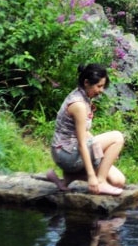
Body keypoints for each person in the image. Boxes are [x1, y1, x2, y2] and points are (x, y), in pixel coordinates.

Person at [46, 64, 126, 196]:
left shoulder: (83, 97)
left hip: (69, 152)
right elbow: (83, 143)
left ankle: (67, 179)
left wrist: (101, 150)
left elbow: (84, 134)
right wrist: (91, 177)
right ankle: (100, 182)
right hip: (67, 154)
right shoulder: (78, 105)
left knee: (118, 181)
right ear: (87, 83)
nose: (101, 90)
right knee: (117, 137)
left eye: (102, 86)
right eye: (99, 86)